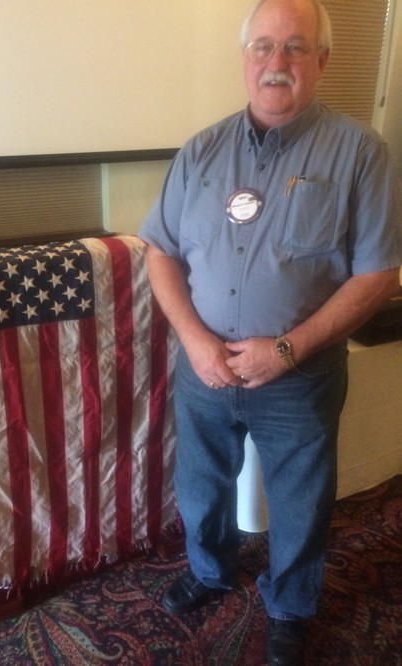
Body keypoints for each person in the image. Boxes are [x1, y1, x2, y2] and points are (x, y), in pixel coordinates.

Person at [138, 0, 402, 664]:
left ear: (322, 60)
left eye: (292, 48)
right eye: (262, 47)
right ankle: (208, 571)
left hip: (299, 377)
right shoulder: (201, 149)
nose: (275, 64)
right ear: (245, 58)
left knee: (299, 501)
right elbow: (160, 251)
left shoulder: (361, 154)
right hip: (204, 367)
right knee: (200, 484)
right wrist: (197, 341)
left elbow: (380, 274)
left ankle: (289, 605)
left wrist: (286, 349)